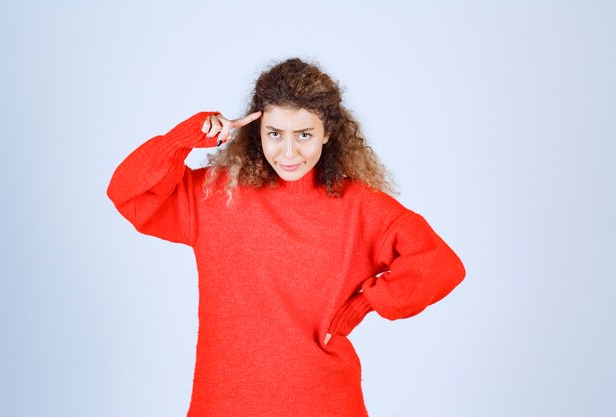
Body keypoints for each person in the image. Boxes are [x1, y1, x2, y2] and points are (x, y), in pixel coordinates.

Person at [106, 57, 466, 417]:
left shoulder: (360, 207)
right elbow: (128, 194)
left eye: (304, 135)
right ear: (257, 131)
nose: (289, 152)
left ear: (327, 132)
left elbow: (439, 265)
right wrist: (183, 138)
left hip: (323, 401)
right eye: (275, 134)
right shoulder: (215, 194)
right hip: (223, 402)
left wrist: (363, 305)